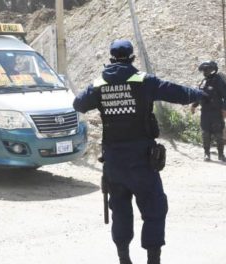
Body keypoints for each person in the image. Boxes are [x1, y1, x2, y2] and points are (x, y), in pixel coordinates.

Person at [73, 40, 206, 264]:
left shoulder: (99, 85)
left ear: (111, 58)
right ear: (132, 58)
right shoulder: (144, 81)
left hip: (114, 163)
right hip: (143, 161)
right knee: (154, 209)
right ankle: (153, 260)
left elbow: (78, 104)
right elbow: (179, 93)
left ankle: (124, 259)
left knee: (121, 212)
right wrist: (199, 95)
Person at [191, 61, 226, 161]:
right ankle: (206, 154)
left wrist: (224, 109)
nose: (204, 72)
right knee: (205, 134)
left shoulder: (218, 80)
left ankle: (221, 155)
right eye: (203, 70)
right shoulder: (204, 82)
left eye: (206, 69)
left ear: (212, 69)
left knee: (219, 134)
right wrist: (194, 105)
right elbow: (199, 95)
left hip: (216, 113)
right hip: (205, 113)